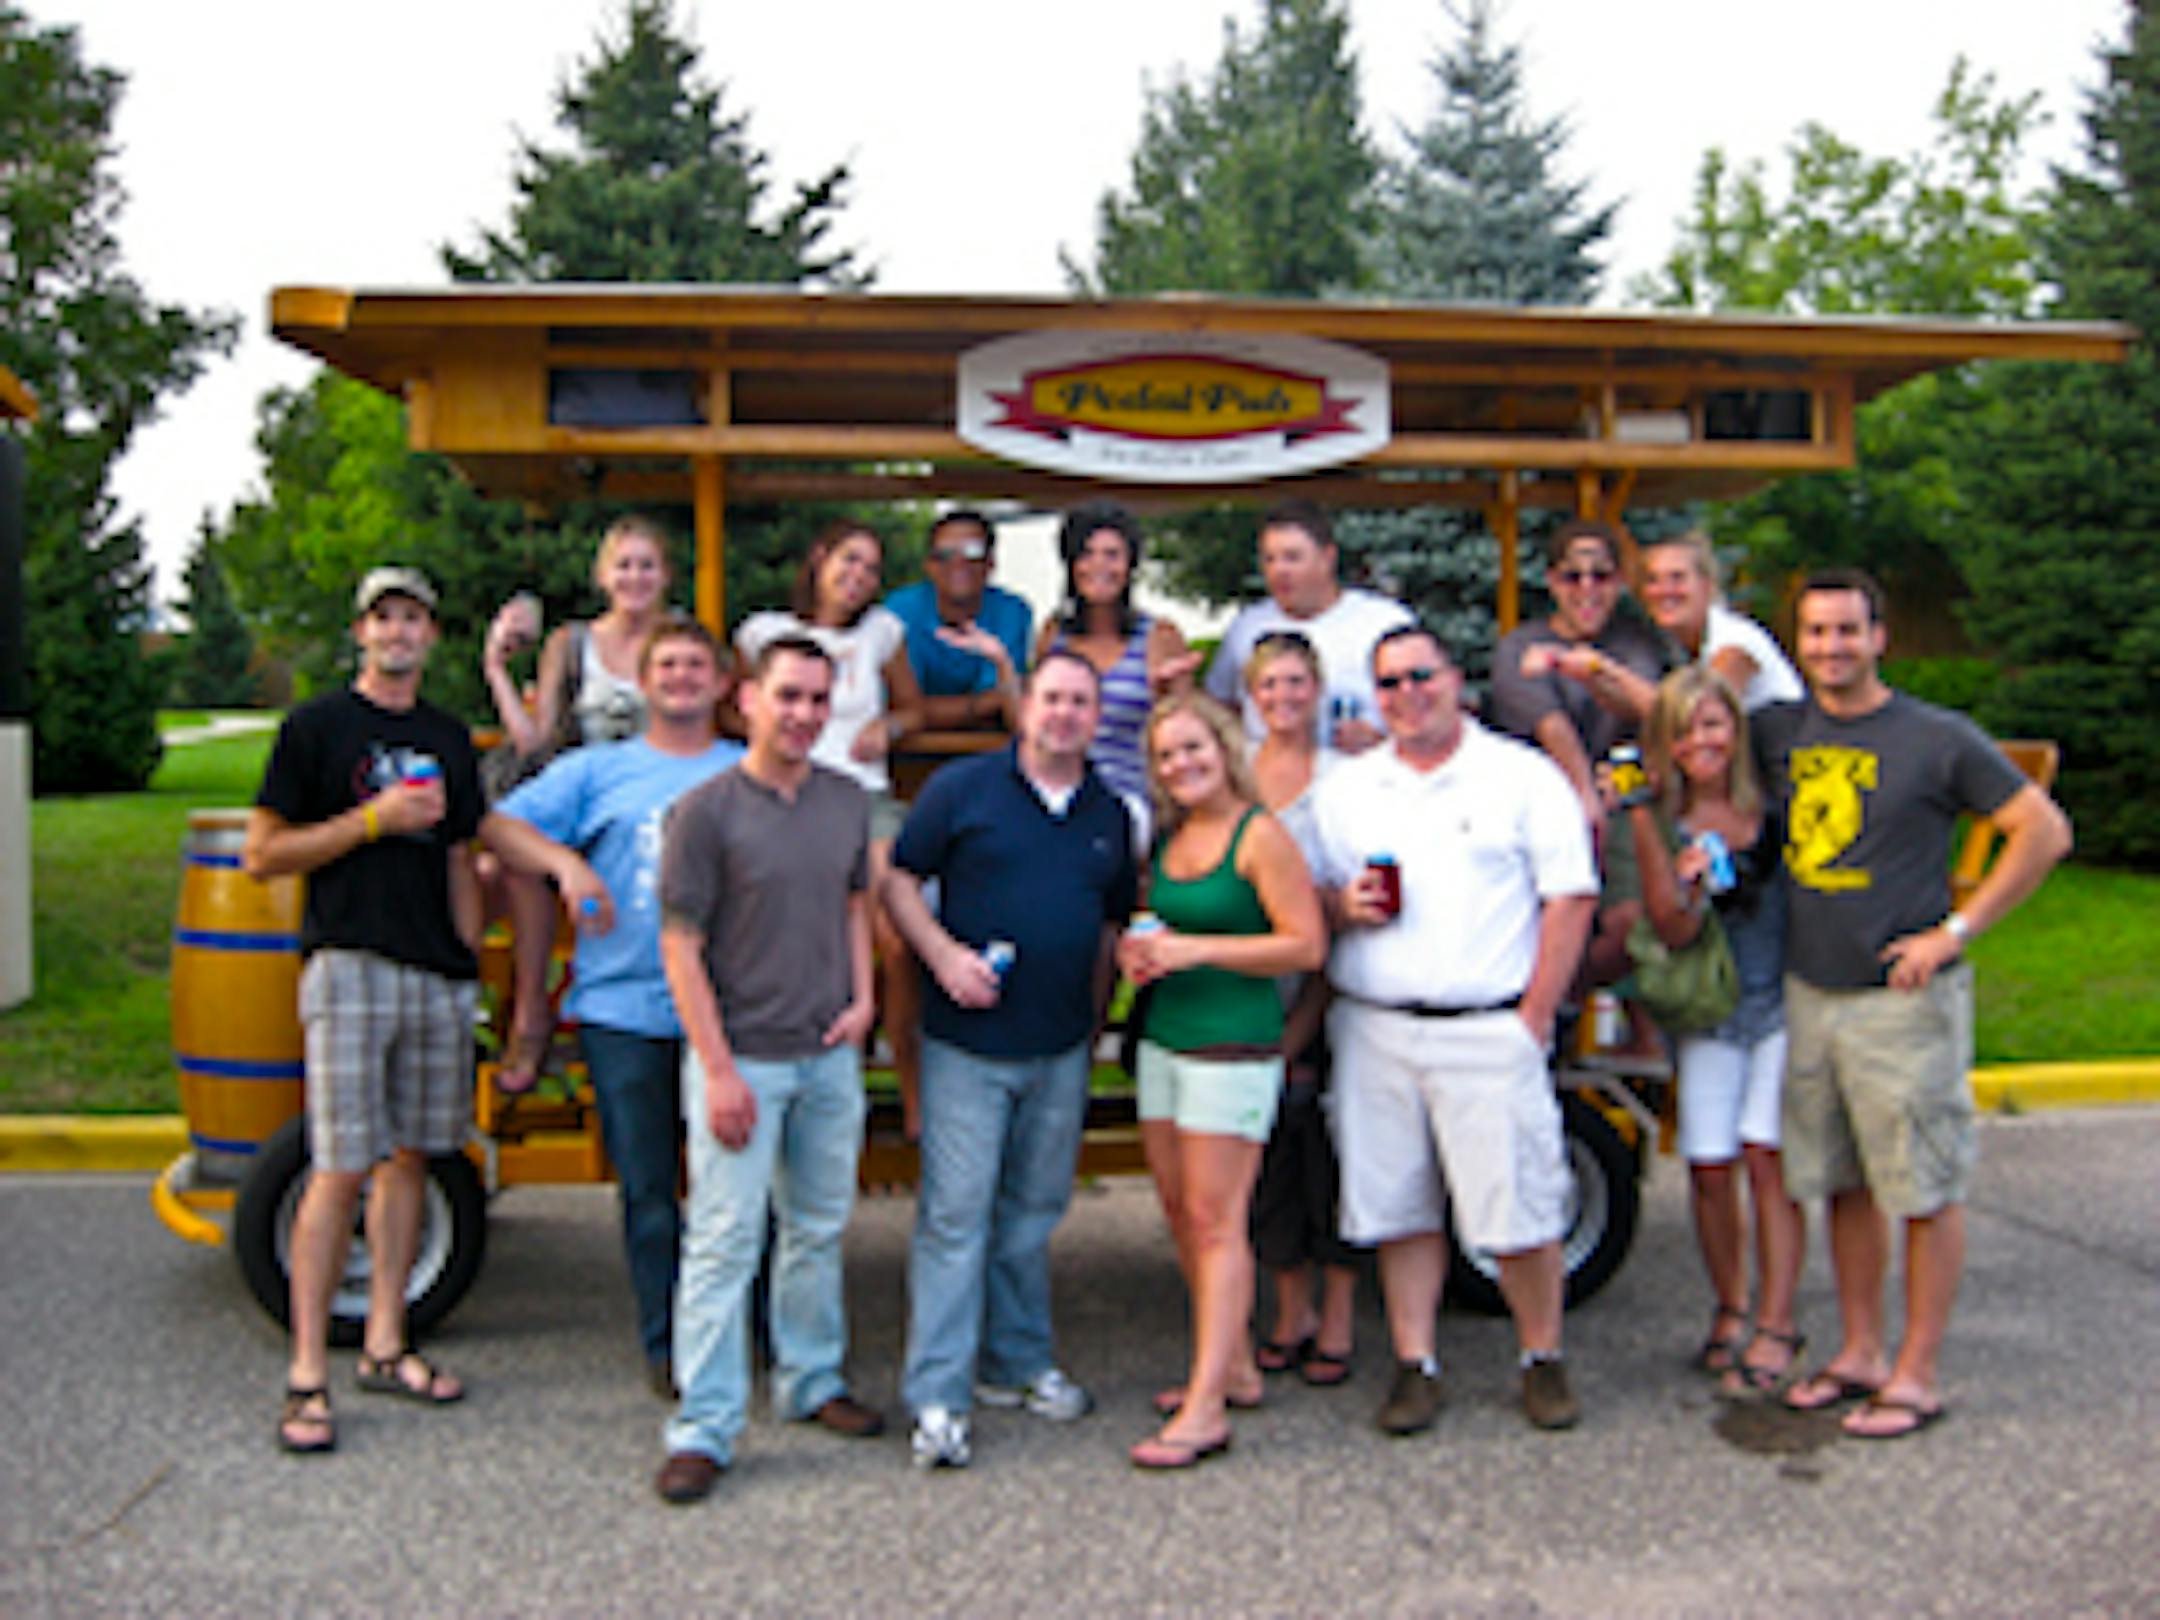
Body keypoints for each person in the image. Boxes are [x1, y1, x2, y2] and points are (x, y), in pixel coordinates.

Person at [1758, 570, 2070, 1440]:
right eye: (1816, 633)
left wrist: (1956, 931)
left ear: (1880, 637)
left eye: (1848, 631)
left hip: (1902, 1005)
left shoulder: (1938, 738)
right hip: (1811, 996)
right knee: (1846, 1186)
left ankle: (1917, 1373)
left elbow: (2044, 831)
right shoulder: (1780, 732)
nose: (1831, 648)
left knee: (1925, 1189)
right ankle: (1860, 1352)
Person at [1311, 625, 1597, 1436]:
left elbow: (1569, 897)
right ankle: (1415, 1362)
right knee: (1398, 1205)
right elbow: (1317, 896)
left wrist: (1535, 1016)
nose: (1407, 696)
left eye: (1420, 677)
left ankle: (1542, 1357)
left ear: (1456, 679)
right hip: (1376, 1027)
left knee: (1520, 1208)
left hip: (1487, 1026)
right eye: (1390, 684)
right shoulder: (1350, 788)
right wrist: (1339, 908)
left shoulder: (1519, 776)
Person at [245, 566, 484, 1455]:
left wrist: (469, 970)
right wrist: (371, 821)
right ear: (360, 633)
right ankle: (308, 1373)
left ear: (430, 635)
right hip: (347, 964)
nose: (398, 632)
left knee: (412, 1159)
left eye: (414, 617)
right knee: (339, 1165)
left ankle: (387, 1343)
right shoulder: (315, 729)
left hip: (434, 975)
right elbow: (264, 855)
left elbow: (461, 858)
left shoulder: (447, 737)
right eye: (383, 617)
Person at [882, 651, 1138, 1470]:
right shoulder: (963, 789)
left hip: (1060, 1048)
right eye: (1052, 698)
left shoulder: (1110, 811)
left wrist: (1097, 1028)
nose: (1064, 713)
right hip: (966, 1048)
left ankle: (1017, 1362)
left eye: (1080, 702)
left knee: (1030, 1217)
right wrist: (943, 954)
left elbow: (1110, 926)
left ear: (1096, 716)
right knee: (955, 1222)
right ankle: (938, 1397)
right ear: (1026, 706)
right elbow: (897, 881)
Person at [480, 615, 745, 1399]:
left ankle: (739, 1330)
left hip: (730, 1014)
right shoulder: (598, 771)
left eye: (699, 666)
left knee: (734, 1194)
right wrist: (565, 862)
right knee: (649, 1189)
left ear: (723, 684)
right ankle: (667, 1344)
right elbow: (495, 823)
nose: (683, 678)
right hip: (623, 1009)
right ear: (644, 682)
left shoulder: (746, 769)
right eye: (668, 666)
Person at [651, 636, 883, 1506]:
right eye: (788, 696)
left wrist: (863, 1004)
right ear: (746, 699)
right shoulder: (705, 812)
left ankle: (811, 1379)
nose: (804, 715)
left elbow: (856, 903)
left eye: (819, 700)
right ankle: (704, 1428)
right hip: (741, 1056)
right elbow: (680, 948)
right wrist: (717, 1071)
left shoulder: (844, 800)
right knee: (723, 1242)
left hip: (827, 1054)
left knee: (817, 1230)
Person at [1121, 693, 1325, 1469]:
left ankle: (1206, 1408)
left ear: (1223, 746)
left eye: (1193, 749)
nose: (1181, 765)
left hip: (1232, 1047)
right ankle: (1232, 1362)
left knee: (1217, 1219)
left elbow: (1305, 946)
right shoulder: (1173, 839)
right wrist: (1143, 957)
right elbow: (1161, 933)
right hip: (1165, 1042)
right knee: (1178, 1208)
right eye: (1167, 756)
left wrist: (1200, 951)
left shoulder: (1259, 835)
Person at [1601, 667, 1803, 1394]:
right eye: (1683, 730)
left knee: (1764, 1157)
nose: (1700, 741)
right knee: (1710, 1165)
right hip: (1711, 1013)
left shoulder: (1777, 809)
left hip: (1781, 1002)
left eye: (1712, 724)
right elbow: (1672, 928)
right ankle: (1729, 1305)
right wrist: (1676, 871)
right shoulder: (1659, 820)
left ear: (1735, 731)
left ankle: (1776, 1319)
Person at [736, 521, 929, 1130]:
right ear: (819, 558)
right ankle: (816, 1080)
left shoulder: (881, 633)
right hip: (787, 798)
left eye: (871, 569)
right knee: (800, 937)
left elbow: (914, 707)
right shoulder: (767, 632)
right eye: (849, 561)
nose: (859, 578)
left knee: (897, 937)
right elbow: (728, 701)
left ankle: (910, 1087)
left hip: (864, 798)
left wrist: (888, 729)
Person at [481, 514, 677, 1093]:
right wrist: (496, 668)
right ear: (603, 576)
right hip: (588, 794)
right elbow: (537, 742)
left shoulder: (680, 640)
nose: (635, 577)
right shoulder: (572, 644)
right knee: (514, 859)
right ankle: (531, 1012)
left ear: (664, 575)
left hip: (660, 792)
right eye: (624, 565)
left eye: (646, 565)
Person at [1242, 631, 1361, 1390]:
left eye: (1296, 683)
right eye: (1270, 686)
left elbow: (1346, 907)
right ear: (1251, 697)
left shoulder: (1349, 779)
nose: (1284, 698)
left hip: (1335, 989)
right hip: (1254, 989)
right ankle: (1290, 1310)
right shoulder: (1236, 775)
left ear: (1316, 689)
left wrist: (1302, 1029)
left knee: (1336, 1158)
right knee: (1270, 1158)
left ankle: (1343, 1315)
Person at [1488, 518, 1671, 821]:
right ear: (1552, 581)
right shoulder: (1519, 645)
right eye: (1572, 577)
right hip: (1539, 798)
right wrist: (1584, 796)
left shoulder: (1638, 641)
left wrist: (1598, 670)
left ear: (1619, 580)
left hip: (1626, 791)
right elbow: (1552, 727)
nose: (1587, 588)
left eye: (1601, 576)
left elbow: (1654, 710)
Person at [1203, 500, 1413, 751]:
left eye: (1292, 558)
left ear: (1327, 558)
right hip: (1267, 784)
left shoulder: (1383, 623)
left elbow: (1424, 708)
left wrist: (1383, 741)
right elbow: (1218, 705)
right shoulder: (1246, 628)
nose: (1279, 570)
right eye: (1269, 559)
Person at [1034, 500, 1201, 814]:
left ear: (1130, 566)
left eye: (1112, 555)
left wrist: (1165, 694)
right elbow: (1032, 727)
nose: (1099, 566)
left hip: (1134, 800)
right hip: (1059, 798)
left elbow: (1186, 732)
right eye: (1086, 554)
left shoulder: (1159, 636)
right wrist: (1003, 666)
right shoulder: (1053, 634)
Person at [883, 508, 1032, 732]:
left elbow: (1005, 704)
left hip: (988, 750)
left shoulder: (1014, 611)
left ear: (990, 563)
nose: (958, 562)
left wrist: (924, 710)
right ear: (928, 565)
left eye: (973, 551)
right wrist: (980, 705)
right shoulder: (899, 609)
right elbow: (899, 705)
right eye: (944, 554)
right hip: (907, 751)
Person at [1638, 532, 1803, 712]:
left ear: (1706, 585)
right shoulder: (1679, 646)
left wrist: (1606, 671)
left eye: (1677, 578)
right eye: (1653, 580)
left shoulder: (1734, 641)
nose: (1664, 590)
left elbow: (1697, 714)